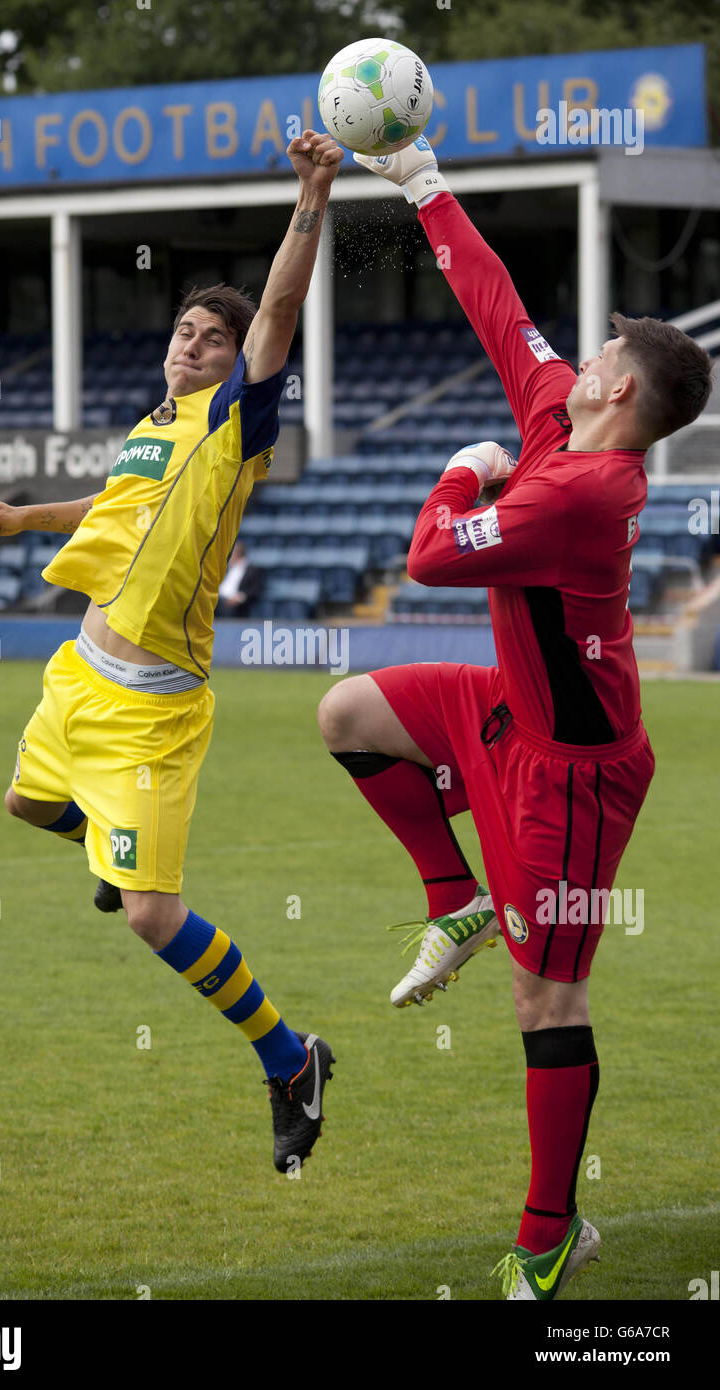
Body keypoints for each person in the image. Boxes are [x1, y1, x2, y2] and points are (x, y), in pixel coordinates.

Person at [318, 137, 713, 1298]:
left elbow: (431, 555)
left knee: (548, 994)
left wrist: (458, 470)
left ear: (619, 390)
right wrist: (421, 180)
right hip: (508, 714)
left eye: (597, 351)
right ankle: (456, 899)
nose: (577, 352)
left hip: (580, 778)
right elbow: (497, 305)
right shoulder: (562, 423)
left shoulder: (584, 489)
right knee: (347, 711)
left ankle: (550, 1233)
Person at [0, 129, 344, 1174]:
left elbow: (275, 311)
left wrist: (310, 196)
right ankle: (103, 841)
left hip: (151, 702)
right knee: (27, 806)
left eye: (210, 340)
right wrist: (21, 517)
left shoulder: (234, 422)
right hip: (75, 674)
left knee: (149, 915)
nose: (192, 344)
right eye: (183, 330)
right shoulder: (158, 419)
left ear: (237, 367)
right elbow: (110, 503)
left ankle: (290, 1059)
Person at [216, 541, 262, 617]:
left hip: (236, 602)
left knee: (228, 608)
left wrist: (239, 598)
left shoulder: (253, 570)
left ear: (237, 554)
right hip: (219, 598)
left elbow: (255, 590)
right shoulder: (226, 567)